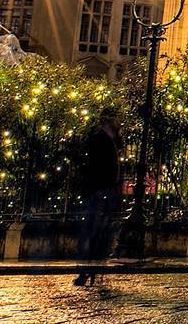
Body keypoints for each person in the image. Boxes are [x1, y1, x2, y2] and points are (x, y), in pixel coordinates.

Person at [72, 110, 123, 286]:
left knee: (98, 230)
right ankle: (86, 270)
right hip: (99, 191)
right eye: (116, 119)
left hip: (104, 191)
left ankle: (91, 269)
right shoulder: (99, 139)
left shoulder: (109, 139)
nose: (119, 123)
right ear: (109, 121)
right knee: (93, 231)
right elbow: (97, 167)